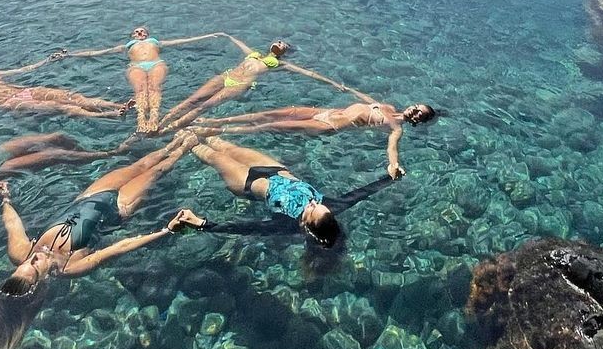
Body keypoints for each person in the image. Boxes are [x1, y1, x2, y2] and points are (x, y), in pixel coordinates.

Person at [0, 133, 205, 349]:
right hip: (117, 208)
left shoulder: (20, 253)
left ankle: (179, 137)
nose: (30, 260)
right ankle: (193, 143)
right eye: (33, 268)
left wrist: (5, 200)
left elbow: (13, 224)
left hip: (89, 197)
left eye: (21, 267)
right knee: (158, 170)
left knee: (141, 164)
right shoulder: (71, 267)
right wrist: (166, 230)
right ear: (41, 282)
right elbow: (119, 248)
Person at [182, 132, 397, 247]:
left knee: (214, 156)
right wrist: (390, 178)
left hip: (248, 183)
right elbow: (359, 194)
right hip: (275, 169)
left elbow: (248, 228)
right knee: (228, 147)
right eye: (320, 205)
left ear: (307, 224)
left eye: (313, 208)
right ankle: (195, 126)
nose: (315, 203)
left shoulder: (288, 224)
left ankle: (184, 140)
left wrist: (204, 225)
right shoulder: (329, 208)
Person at [159, 36, 356, 133]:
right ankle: (160, 123)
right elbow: (240, 44)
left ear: (284, 51)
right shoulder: (254, 53)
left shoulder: (280, 63)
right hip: (226, 76)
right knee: (192, 99)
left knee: (204, 106)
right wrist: (225, 35)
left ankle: (170, 129)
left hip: (240, 83)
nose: (280, 42)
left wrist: (332, 83)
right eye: (279, 40)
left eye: (284, 45)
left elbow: (309, 73)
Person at [197, 101, 438, 179]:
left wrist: (393, 165)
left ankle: (224, 132)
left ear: (418, 121)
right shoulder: (389, 107)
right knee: (272, 113)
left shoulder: (396, 128)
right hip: (325, 111)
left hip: (329, 124)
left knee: (272, 125)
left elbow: (392, 148)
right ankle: (217, 122)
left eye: (419, 114)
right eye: (416, 106)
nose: (414, 111)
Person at [54, 29, 230, 135]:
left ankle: (154, 117)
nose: (140, 33)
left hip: (156, 64)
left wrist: (210, 35)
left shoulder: (155, 42)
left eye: (143, 31)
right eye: (136, 32)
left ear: (147, 35)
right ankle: (140, 120)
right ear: (132, 36)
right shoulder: (127, 46)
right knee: (140, 90)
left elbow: (181, 41)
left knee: (154, 87)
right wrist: (70, 54)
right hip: (136, 66)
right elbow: (97, 53)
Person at [0, 62, 134, 125]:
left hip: (26, 92)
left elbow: (22, 70)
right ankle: (107, 115)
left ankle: (118, 105)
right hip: (10, 102)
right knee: (61, 107)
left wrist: (47, 60)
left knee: (73, 97)